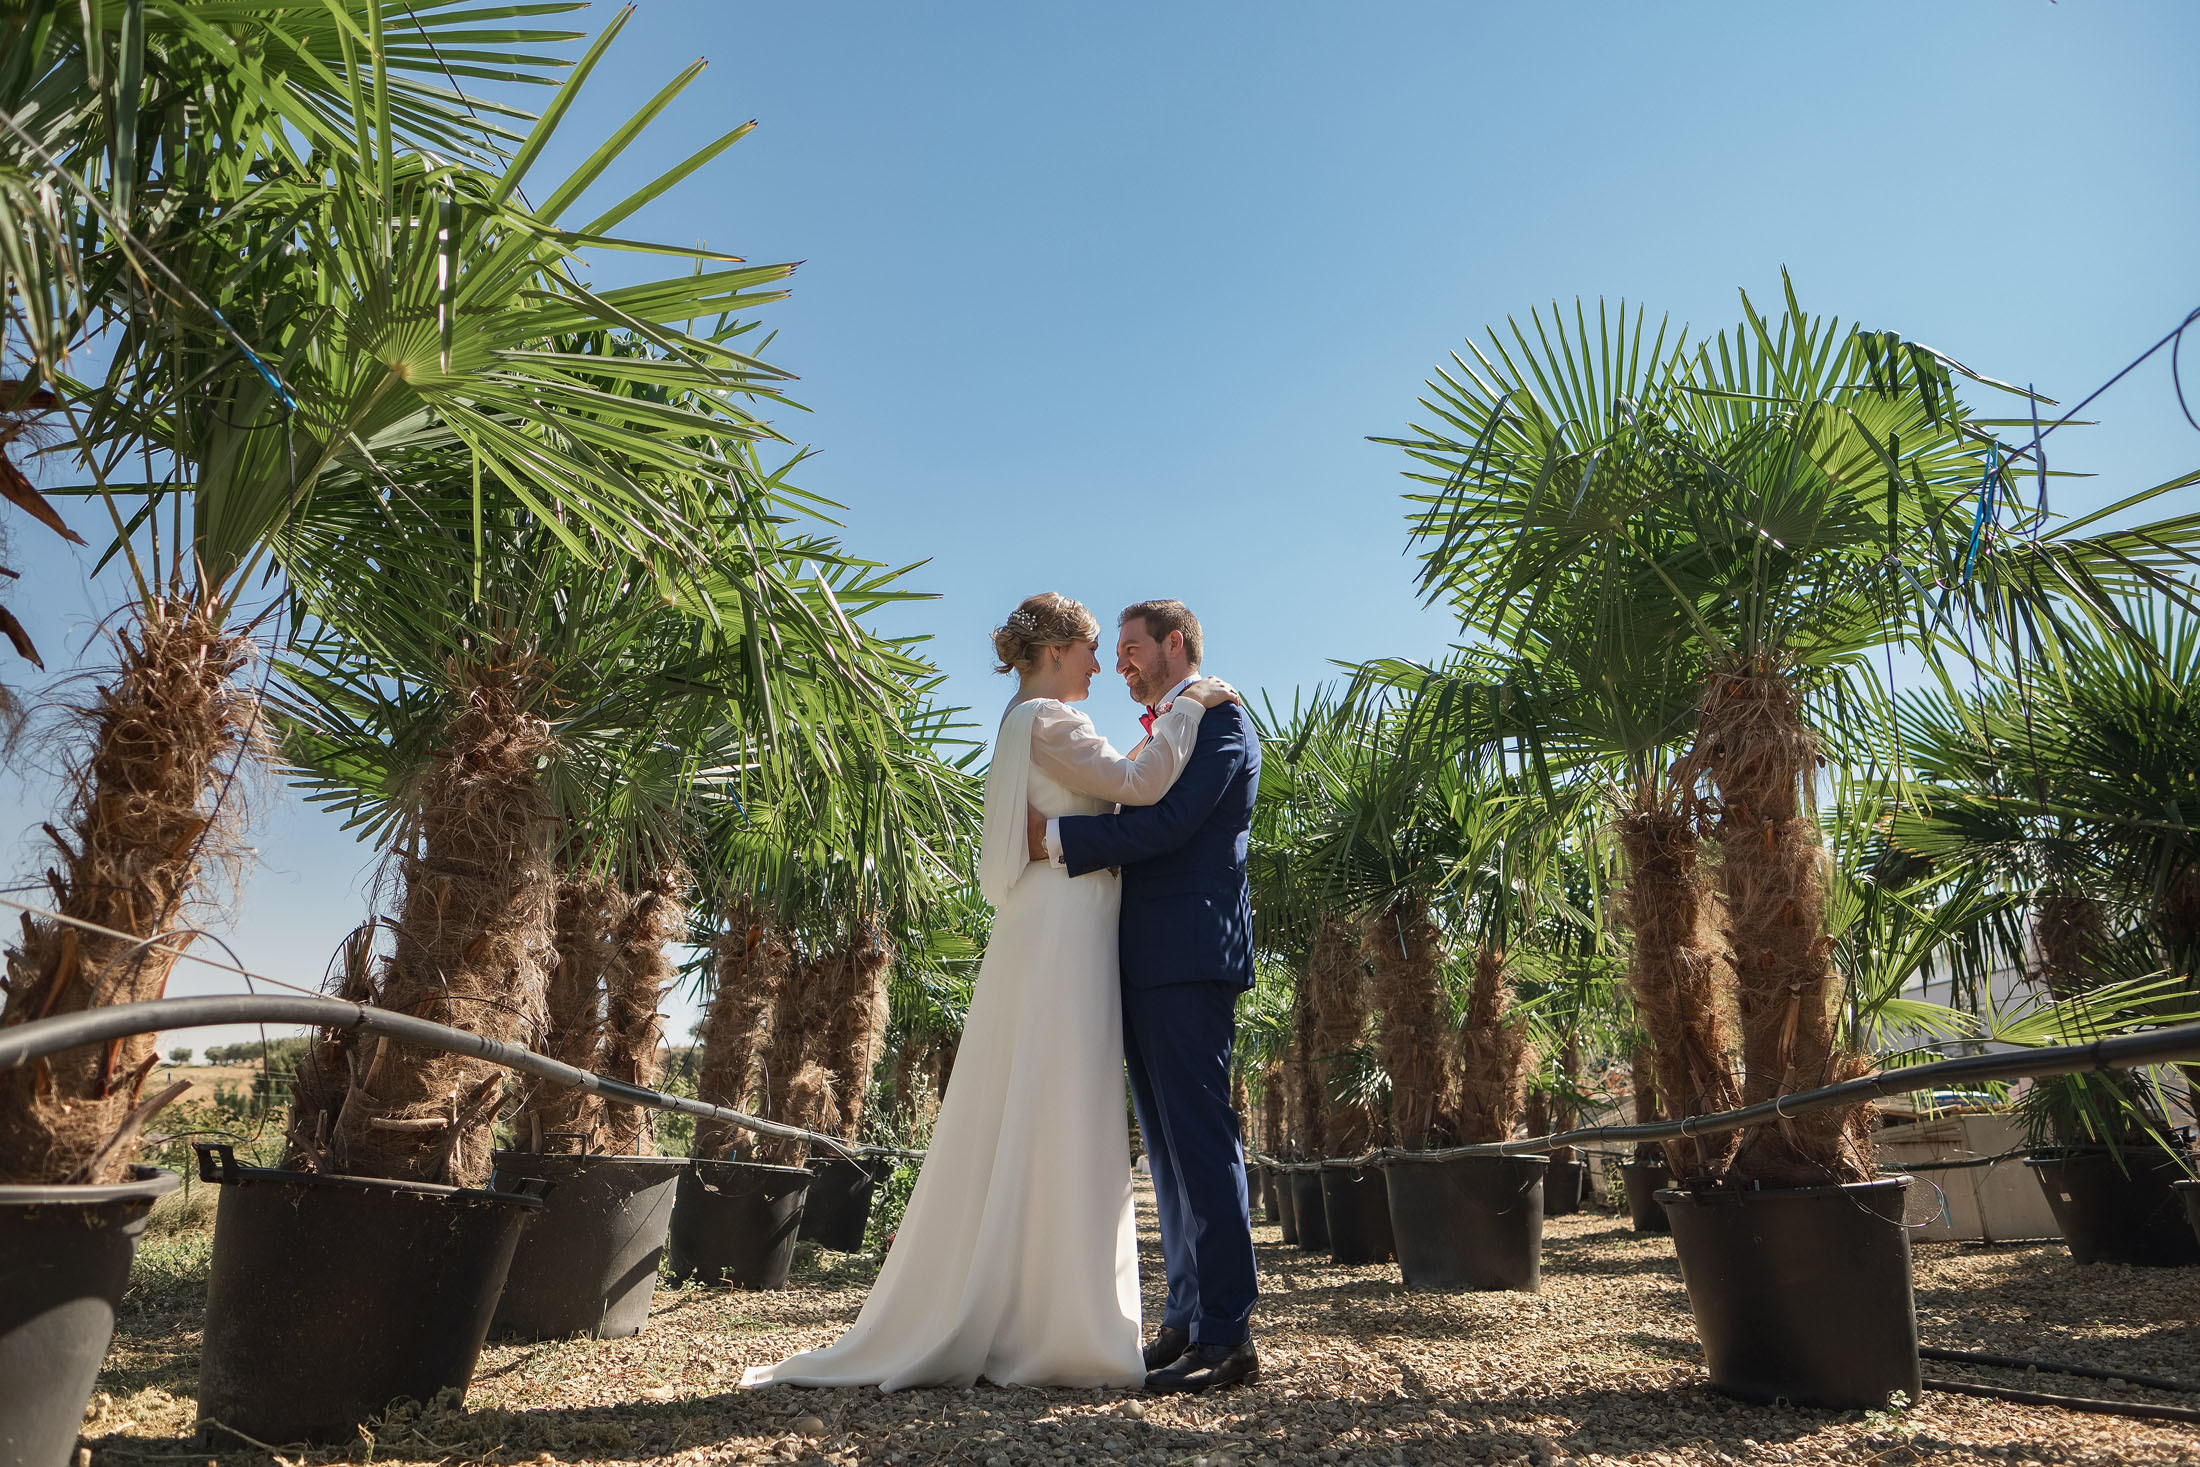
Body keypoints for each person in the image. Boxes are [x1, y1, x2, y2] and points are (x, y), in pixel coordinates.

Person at [741, 592, 1238, 1391]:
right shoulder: (1054, 720)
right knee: (1059, 1099)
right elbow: (1141, 787)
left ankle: (1030, 1301)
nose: (1101, 665)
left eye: (1115, 650)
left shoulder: (1018, 722)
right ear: (1053, 653)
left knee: (1037, 1096)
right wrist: (1192, 704)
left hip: (1053, 924)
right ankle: (1053, 1316)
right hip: (1067, 929)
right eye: (1088, 651)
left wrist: (1065, 837)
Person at [1030, 599, 1262, 1394]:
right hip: (1145, 961)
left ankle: (1230, 1335)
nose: (1120, 662)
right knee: (1165, 1154)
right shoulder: (1167, 729)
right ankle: (1188, 1319)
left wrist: (1056, 840)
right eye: (1115, 650)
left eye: (1131, 648)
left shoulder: (1221, 720)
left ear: (1175, 644)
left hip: (1192, 957)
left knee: (1202, 1141)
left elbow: (1166, 826)